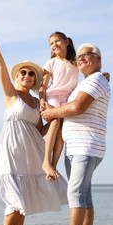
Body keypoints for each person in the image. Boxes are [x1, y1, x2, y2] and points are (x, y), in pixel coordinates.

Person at [0, 15, 68, 225]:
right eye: (23, 73)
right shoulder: (11, 96)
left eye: (31, 74)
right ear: (17, 76)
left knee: (24, 200)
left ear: (34, 79)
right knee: (15, 199)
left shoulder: (36, 102)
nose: (26, 77)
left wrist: (55, 119)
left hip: (30, 153)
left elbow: (40, 130)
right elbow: (0, 65)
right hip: (10, 151)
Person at [41, 43, 110, 225]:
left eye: (87, 55)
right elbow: (71, 107)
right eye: (79, 56)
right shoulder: (88, 82)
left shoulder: (97, 79)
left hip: (86, 146)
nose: (81, 59)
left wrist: (52, 114)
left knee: (75, 193)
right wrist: (53, 110)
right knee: (84, 196)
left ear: (98, 60)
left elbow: (77, 107)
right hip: (76, 147)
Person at [39, 32, 79, 180]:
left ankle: (53, 166)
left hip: (67, 100)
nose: (54, 45)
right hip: (53, 96)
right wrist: (42, 100)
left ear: (67, 42)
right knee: (54, 122)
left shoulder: (75, 62)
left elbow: (89, 71)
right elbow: (42, 87)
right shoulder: (51, 63)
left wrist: (102, 74)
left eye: (57, 41)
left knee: (62, 131)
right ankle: (46, 162)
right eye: (51, 43)